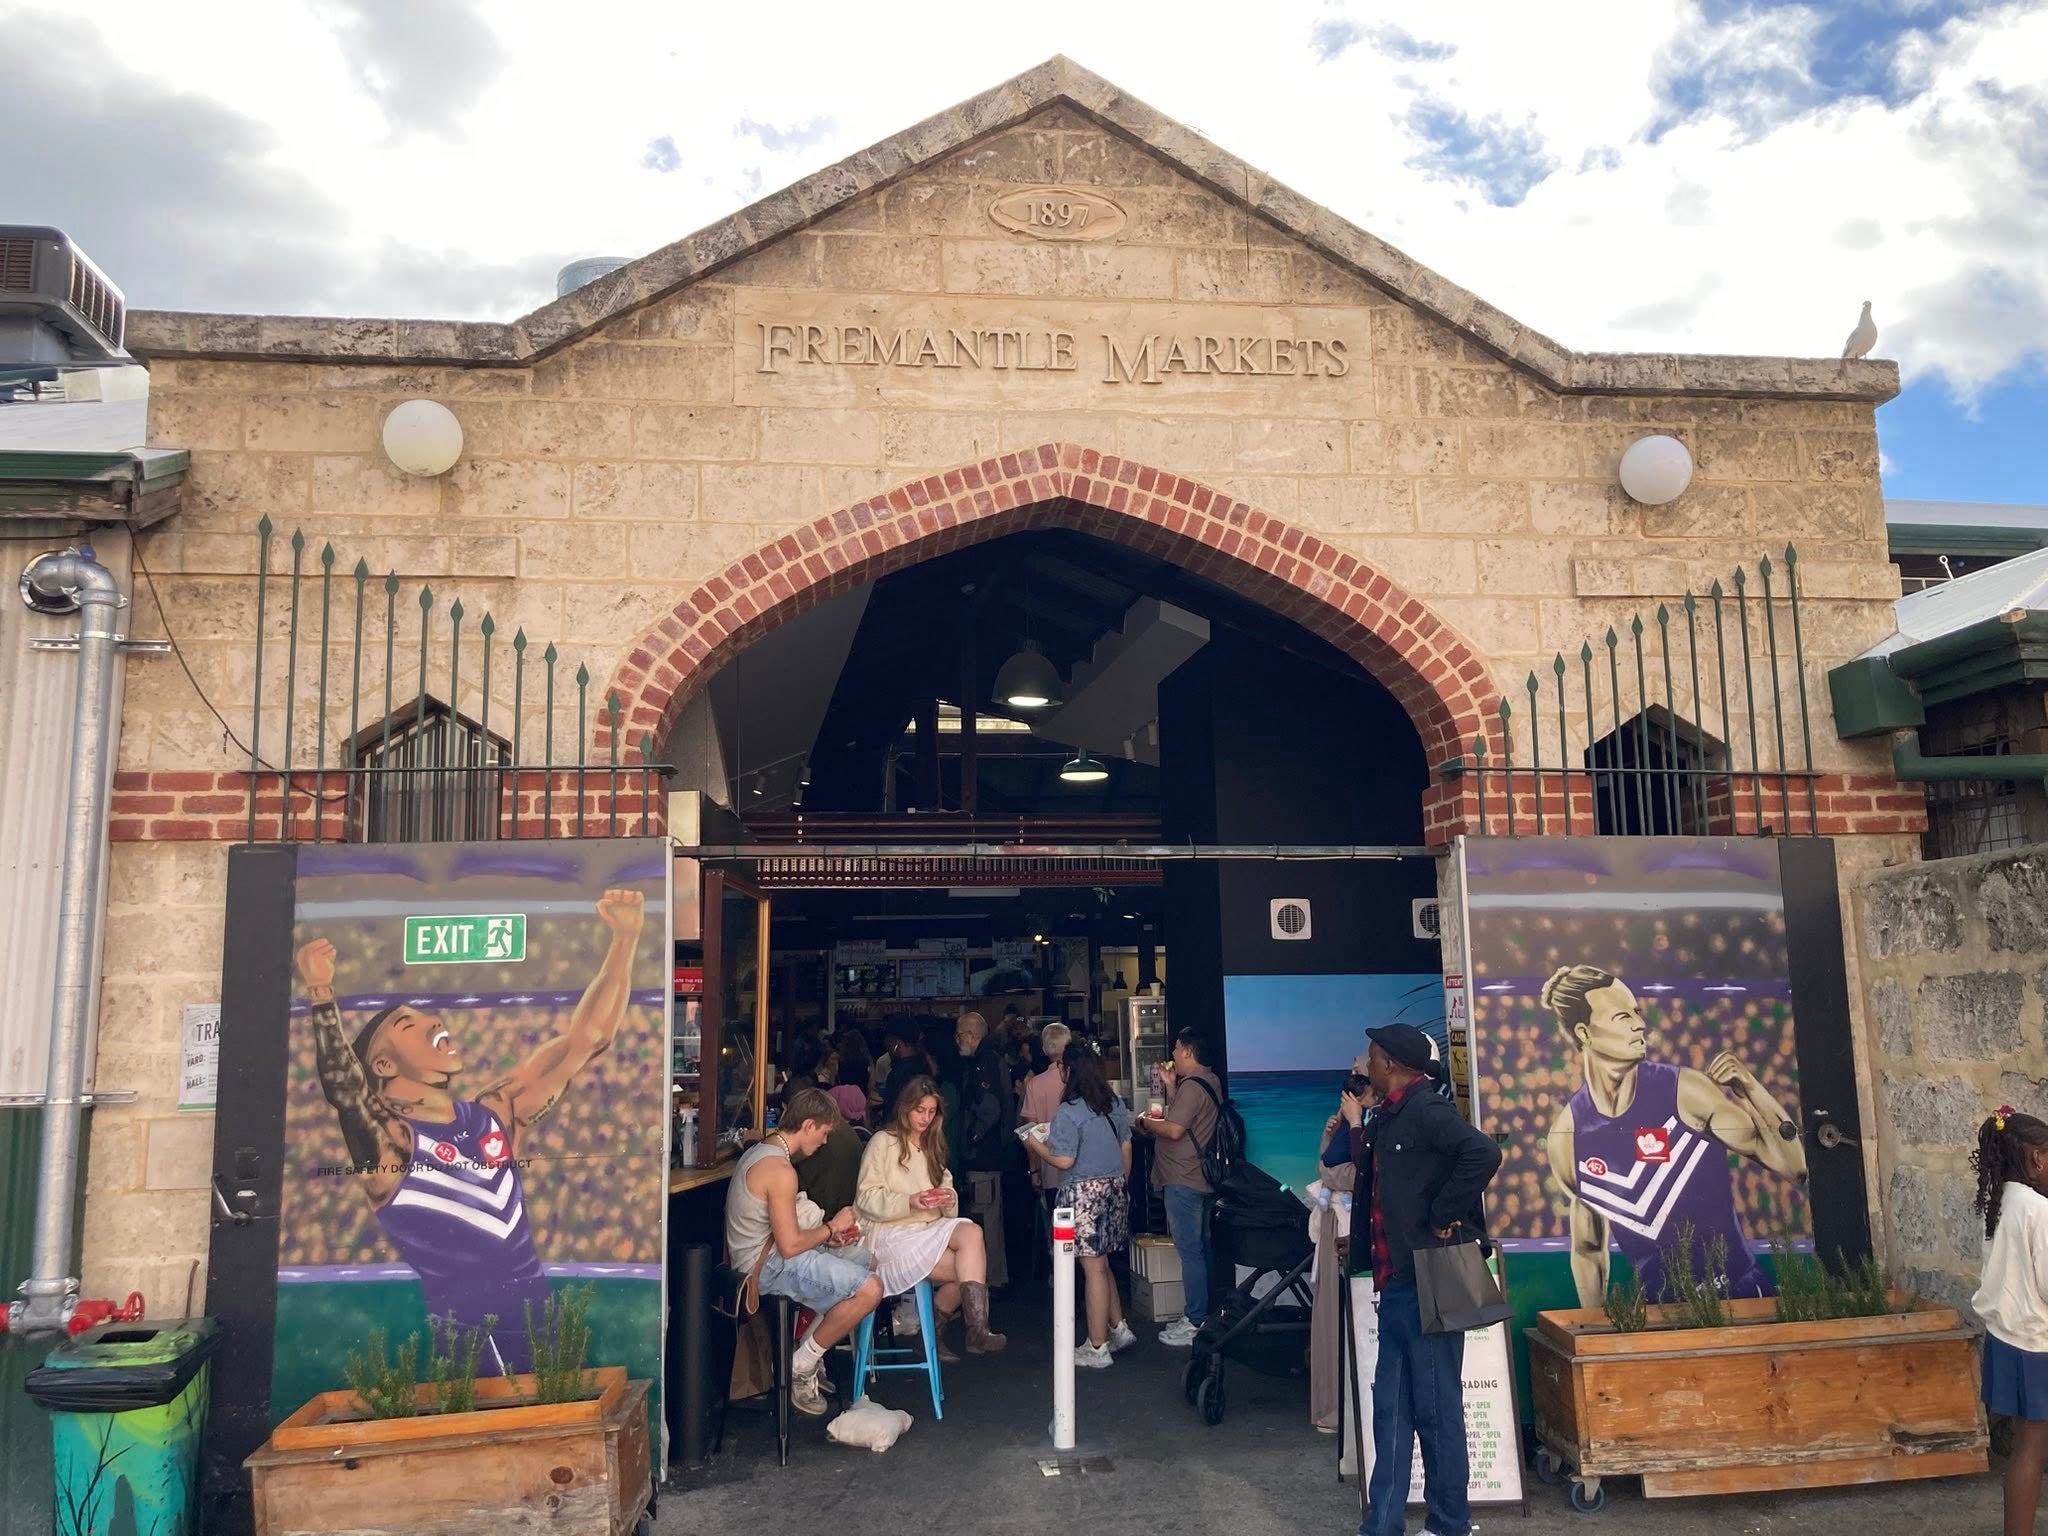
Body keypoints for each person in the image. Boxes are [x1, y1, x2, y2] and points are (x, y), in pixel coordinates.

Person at [295, 889, 644, 1376]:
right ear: (383, 1063)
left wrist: (626, 937)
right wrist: (320, 992)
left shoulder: (494, 1113)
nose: (432, 1020)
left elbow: (588, 1039)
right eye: (407, 1024)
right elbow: (344, 1088)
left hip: (539, 1317)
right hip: (468, 1333)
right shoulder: (390, 1145)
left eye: (427, 1015)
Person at [1540, 964, 1808, 1308]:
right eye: (1622, 1017)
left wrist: (1751, 1088)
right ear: (1584, 1033)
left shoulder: (1685, 1092)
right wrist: (1596, 1328)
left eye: (1637, 1012)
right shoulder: (1567, 1137)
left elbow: (1793, 1167)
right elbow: (1588, 1250)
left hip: (1739, 1296)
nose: (1640, 1024)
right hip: (1658, 1314)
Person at [1343, 1022, 1502, 1536]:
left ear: (1389, 1061)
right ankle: (1382, 1523)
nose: (1365, 1064)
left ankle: (1450, 1523)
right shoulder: (1387, 1115)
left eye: (1371, 1056)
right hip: (1395, 1285)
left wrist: (1443, 1213)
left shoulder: (1427, 1109)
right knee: (1390, 1411)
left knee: (1435, 1412)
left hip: (1427, 1283)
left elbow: (1483, 1153)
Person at [723, 1087, 883, 1418]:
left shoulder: (762, 1150)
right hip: (764, 1268)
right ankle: (802, 1364)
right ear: (808, 1125)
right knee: (870, 1289)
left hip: (759, 1258)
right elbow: (790, 1246)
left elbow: (786, 1237)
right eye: (824, 1133)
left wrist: (828, 1240)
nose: (824, 1142)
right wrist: (832, 1227)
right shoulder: (782, 1172)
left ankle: (807, 1351)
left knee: (865, 1261)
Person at [856, 1076, 1008, 1359]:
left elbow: (945, 1186)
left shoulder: (932, 1144)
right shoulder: (882, 1142)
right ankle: (942, 1333)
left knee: (972, 1234)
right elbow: (865, 1198)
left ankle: (977, 1328)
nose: (925, 1118)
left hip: (925, 1228)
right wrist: (909, 1201)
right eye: (919, 1110)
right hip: (888, 1233)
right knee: (969, 1270)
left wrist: (948, 1198)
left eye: (931, 1111)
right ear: (905, 1109)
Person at [1024, 1043, 1137, 1367]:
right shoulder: (1112, 1102)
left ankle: (1097, 1346)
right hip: (1114, 1187)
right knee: (1102, 1263)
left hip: (1083, 1193)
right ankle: (1118, 1327)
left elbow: (1064, 1159)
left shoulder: (1069, 1111)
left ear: (1067, 1070)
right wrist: (1120, 1181)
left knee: (1093, 1268)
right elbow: (1125, 1144)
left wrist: (1035, 1144)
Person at [1972, 1107, 2048, 1536]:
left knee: (2024, 1447)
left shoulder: (1995, 1204)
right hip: (2036, 1344)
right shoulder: (2037, 1210)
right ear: (2037, 1159)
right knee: (2032, 1453)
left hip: (2005, 1339)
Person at [1133, 1028, 1221, 1345]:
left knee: (1190, 1250)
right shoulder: (1209, 1082)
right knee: (1202, 1247)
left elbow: (1173, 1129)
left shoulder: (1194, 1087)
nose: (1172, 1055)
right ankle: (1207, 1314)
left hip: (1184, 1178)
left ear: (1186, 1051)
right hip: (1201, 1177)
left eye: (1175, 1050)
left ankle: (1195, 1319)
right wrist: (1172, 1088)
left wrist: (1144, 1121)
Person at [1309, 1054, 1374, 1433]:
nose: (1350, 1082)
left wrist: (1353, 1125)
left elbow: (1346, 1174)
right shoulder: (1356, 1124)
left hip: (1355, 1227)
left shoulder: (1375, 1123)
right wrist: (1339, 1130)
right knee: (1335, 1314)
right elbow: (1329, 1167)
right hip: (1341, 1223)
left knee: (1348, 1317)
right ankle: (1337, 1406)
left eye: (1358, 1074)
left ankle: (1344, 1409)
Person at [1019, 1024, 1073, 1201]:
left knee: (1055, 1223)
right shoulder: (1081, 1080)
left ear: (1044, 1049)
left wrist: (1034, 1170)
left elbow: (1030, 1132)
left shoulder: (1035, 1084)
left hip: (1050, 1167)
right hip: (1082, 1170)